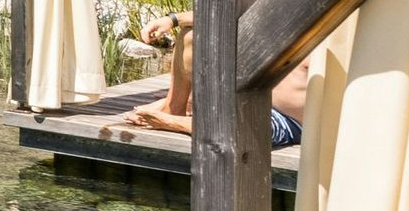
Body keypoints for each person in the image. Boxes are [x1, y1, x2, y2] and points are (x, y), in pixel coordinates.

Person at [117, 13, 312, 147]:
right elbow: (227, 15)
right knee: (192, 35)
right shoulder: (290, 10)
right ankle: (174, 107)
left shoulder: (328, 33)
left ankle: (172, 121)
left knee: (246, 130)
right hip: (247, 92)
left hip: (286, 119)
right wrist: (172, 19)